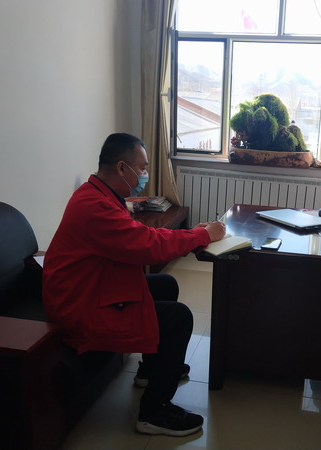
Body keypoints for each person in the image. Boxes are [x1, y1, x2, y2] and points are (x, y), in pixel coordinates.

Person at [42, 133, 226, 437]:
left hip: (92, 286)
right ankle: (154, 412)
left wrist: (193, 234)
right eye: (142, 168)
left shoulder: (97, 194)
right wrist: (202, 236)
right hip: (80, 306)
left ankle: (151, 370)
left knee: (165, 284)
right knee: (179, 317)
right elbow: (147, 246)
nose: (144, 174)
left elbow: (139, 237)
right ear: (121, 168)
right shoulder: (94, 206)